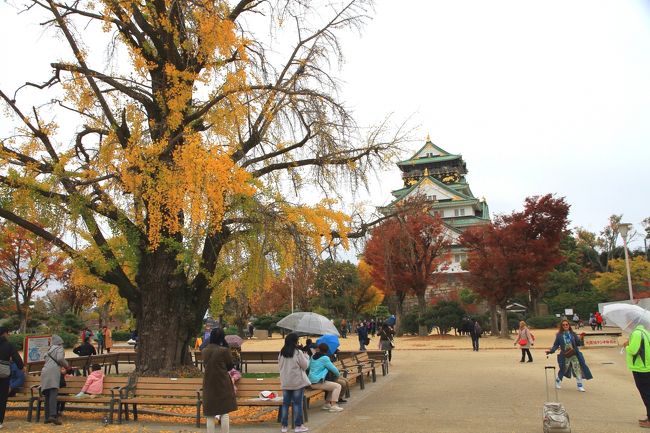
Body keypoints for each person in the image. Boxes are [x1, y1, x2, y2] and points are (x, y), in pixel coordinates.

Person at [202, 328, 237, 433]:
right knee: (224, 411)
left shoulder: (204, 351)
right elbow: (230, 366)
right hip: (222, 382)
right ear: (222, 337)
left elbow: (205, 365)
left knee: (210, 412)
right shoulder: (224, 350)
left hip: (209, 383)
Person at [546, 319, 592, 392]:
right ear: (561, 326)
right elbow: (556, 345)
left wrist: (581, 338)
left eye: (566, 324)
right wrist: (551, 351)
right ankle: (558, 381)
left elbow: (578, 343)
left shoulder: (573, 334)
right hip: (565, 355)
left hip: (574, 354)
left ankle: (580, 386)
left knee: (577, 369)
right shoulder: (559, 335)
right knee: (563, 369)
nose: (565, 326)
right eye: (563, 325)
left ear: (569, 325)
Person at [278, 333, 310, 433]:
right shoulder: (298, 352)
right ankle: (298, 426)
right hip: (297, 382)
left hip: (285, 381)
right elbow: (305, 366)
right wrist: (307, 357)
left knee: (285, 404)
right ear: (295, 341)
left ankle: (284, 426)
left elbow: (280, 366)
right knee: (297, 404)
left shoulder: (281, 352)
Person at [623, 322, 650, 428]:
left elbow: (634, 350)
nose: (628, 324)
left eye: (629, 322)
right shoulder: (646, 332)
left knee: (646, 394)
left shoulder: (636, 333)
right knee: (648, 393)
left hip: (640, 368)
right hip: (646, 367)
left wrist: (626, 345)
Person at [307, 343, 344, 413]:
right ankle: (334, 405)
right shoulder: (325, 358)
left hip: (311, 381)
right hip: (317, 382)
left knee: (332, 386)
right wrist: (338, 375)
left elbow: (308, 367)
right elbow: (334, 369)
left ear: (319, 349)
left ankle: (327, 404)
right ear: (326, 350)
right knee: (338, 386)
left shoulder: (313, 356)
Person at [41, 334, 68, 425]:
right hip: (53, 372)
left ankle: (47, 417)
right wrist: (66, 365)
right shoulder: (59, 348)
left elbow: (45, 359)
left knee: (47, 394)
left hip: (45, 371)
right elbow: (60, 358)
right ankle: (53, 415)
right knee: (53, 392)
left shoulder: (49, 350)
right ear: (60, 342)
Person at [0, 326, 24, 429]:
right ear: (4, 333)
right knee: (2, 397)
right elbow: (16, 358)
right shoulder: (8, 345)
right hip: (3, 374)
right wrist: (21, 367)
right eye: (8, 333)